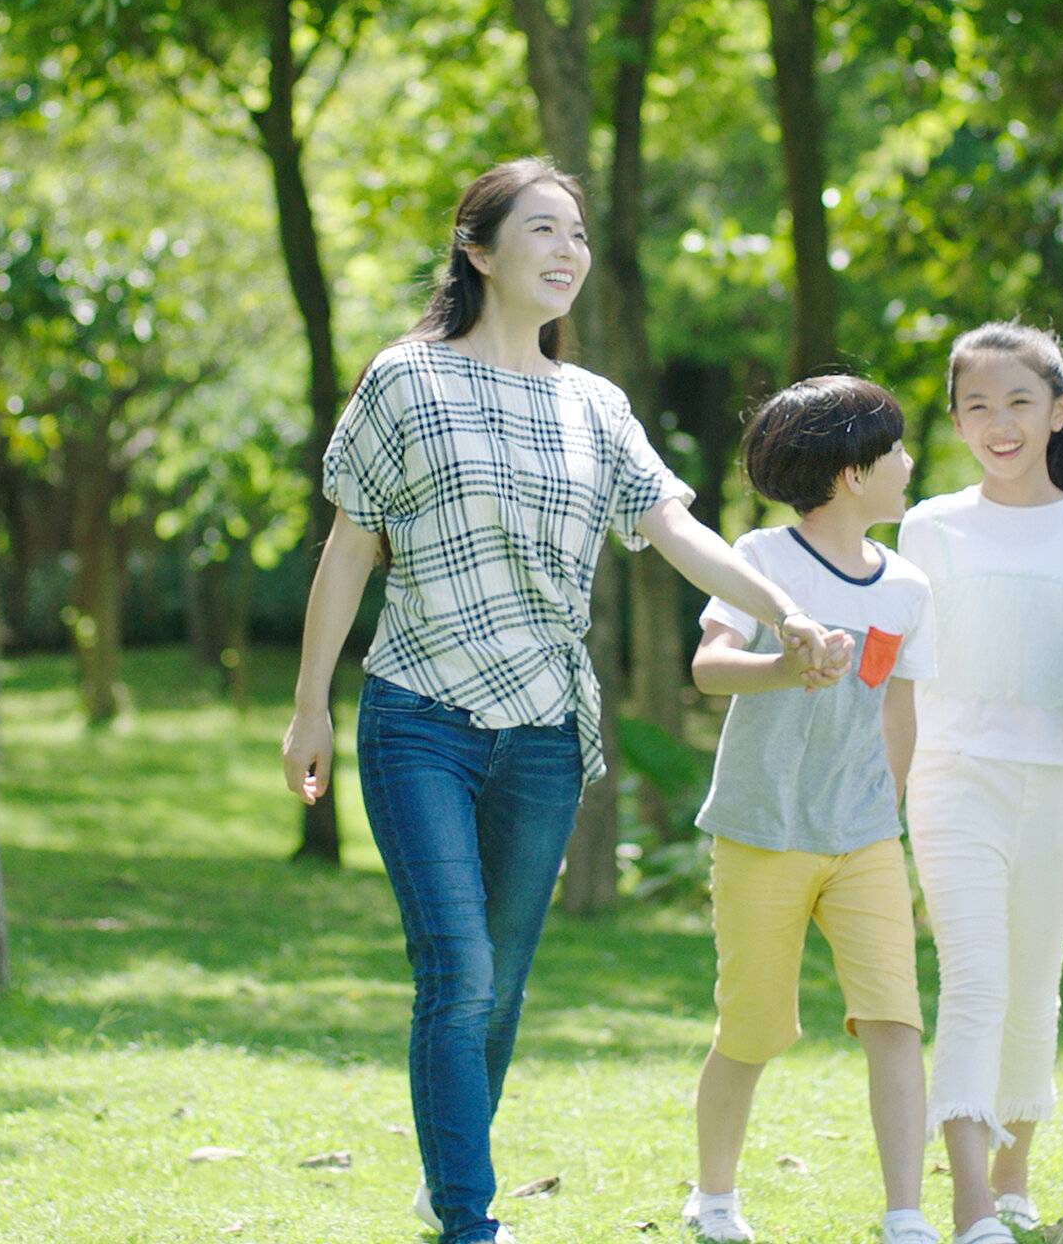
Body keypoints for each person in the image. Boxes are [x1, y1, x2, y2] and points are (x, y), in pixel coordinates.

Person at [280, 157, 850, 1244]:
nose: (567, 250)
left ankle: (449, 1168)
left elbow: (674, 527)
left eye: (578, 233)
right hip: (419, 712)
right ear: (479, 250)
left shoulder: (595, 404)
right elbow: (350, 547)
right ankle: (469, 1217)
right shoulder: (405, 380)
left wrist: (783, 610)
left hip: (543, 726)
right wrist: (310, 707)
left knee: (498, 983)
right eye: (542, 229)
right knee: (457, 968)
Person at [898, 322, 1063, 1244]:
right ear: (956, 420)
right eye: (976, 406)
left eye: (1018, 402)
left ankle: (1013, 1182)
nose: (998, 423)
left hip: (1054, 779)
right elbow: (900, 673)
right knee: (974, 981)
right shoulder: (927, 526)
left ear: (1058, 410)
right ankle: (969, 1204)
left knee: (1035, 984)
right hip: (951, 775)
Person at [681, 375, 940, 1244]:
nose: (910, 463)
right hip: (763, 830)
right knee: (753, 1028)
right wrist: (784, 666)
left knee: (896, 1019)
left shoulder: (908, 587)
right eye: (895, 449)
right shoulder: (761, 559)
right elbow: (709, 667)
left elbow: (898, 706)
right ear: (853, 473)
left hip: (863, 839)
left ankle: (905, 1215)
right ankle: (715, 1198)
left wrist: (884, 812)